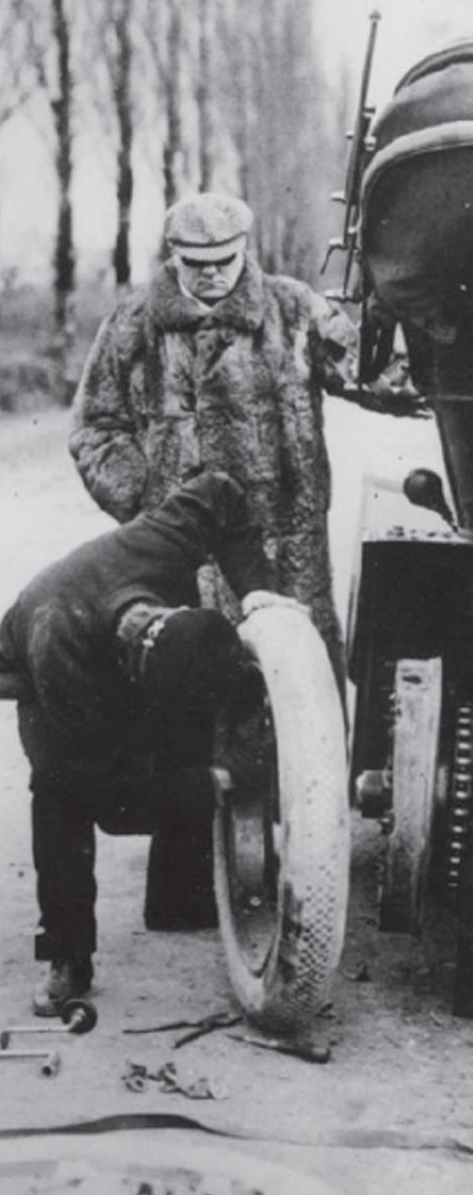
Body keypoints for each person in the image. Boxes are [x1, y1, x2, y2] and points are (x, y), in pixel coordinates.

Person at [69, 192, 355, 930]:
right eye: (193, 265)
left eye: (223, 262)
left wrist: (367, 332)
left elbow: (371, 379)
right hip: (186, 564)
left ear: (246, 251)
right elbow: (94, 430)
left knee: (296, 711)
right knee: (188, 711)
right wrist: (152, 513)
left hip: (284, 553)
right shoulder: (133, 327)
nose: (208, 276)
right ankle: (188, 896)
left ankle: (306, 882)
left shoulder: (292, 312)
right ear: (173, 258)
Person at [0, 472, 303, 1015]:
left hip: (109, 635)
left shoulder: (161, 543)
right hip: (41, 664)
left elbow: (220, 493)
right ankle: (67, 955)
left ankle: (181, 902)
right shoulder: (63, 659)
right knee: (62, 795)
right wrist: (216, 782)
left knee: (194, 730)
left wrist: (256, 590)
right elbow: (115, 803)